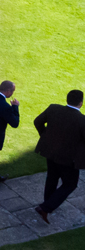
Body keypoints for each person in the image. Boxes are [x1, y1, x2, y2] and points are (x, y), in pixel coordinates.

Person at [33, 90, 85, 223]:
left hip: (50, 151)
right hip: (68, 158)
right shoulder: (82, 120)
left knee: (52, 177)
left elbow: (37, 121)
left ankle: (47, 202)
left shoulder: (53, 109)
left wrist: (45, 136)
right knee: (70, 184)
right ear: (81, 103)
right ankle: (46, 207)